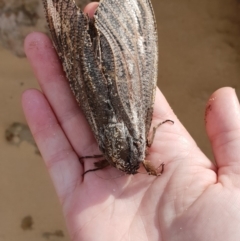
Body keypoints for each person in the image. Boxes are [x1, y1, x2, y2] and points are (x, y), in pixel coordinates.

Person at [21, 2, 240, 240]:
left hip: (113, 108)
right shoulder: (120, 152)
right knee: (87, 70)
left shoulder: (136, 148)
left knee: (82, 71)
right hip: (110, 100)